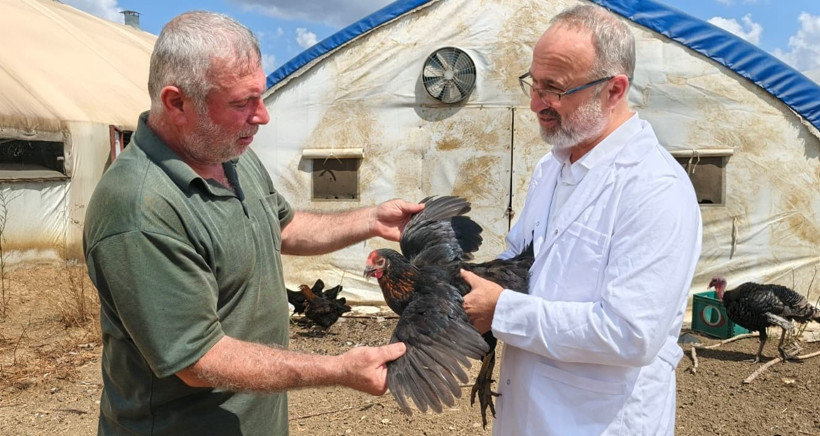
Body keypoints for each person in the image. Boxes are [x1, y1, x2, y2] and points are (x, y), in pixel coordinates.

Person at [83, 11, 421, 436]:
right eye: (242, 103)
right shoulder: (139, 208)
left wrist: (371, 219)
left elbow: (282, 227)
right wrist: (338, 369)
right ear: (176, 103)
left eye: (260, 97)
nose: (262, 116)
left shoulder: (227, 152)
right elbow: (198, 360)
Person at [461, 5, 702, 435]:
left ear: (613, 90)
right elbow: (520, 261)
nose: (536, 104)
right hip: (526, 414)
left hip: (597, 421)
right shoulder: (550, 168)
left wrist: (503, 310)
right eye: (533, 85)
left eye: (554, 89)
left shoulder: (654, 188)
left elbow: (630, 333)